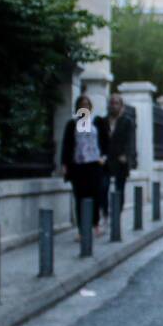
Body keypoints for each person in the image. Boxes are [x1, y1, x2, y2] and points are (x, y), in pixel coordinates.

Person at [61, 94, 109, 237]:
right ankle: (81, 230)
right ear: (78, 107)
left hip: (94, 165)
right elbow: (67, 145)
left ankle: (95, 225)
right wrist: (64, 164)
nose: (85, 107)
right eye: (82, 105)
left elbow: (106, 142)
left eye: (87, 105)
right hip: (78, 166)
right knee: (79, 197)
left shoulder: (97, 123)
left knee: (95, 195)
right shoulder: (72, 124)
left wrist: (103, 158)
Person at [99, 93, 137, 219]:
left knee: (119, 189)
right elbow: (99, 140)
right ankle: (104, 212)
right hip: (106, 160)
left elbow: (131, 140)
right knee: (103, 187)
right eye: (112, 103)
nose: (113, 106)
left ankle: (117, 214)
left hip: (120, 160)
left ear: (121, 106)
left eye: (116, 103)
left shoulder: (127, 122)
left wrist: (126, 155)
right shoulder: (102, 121)